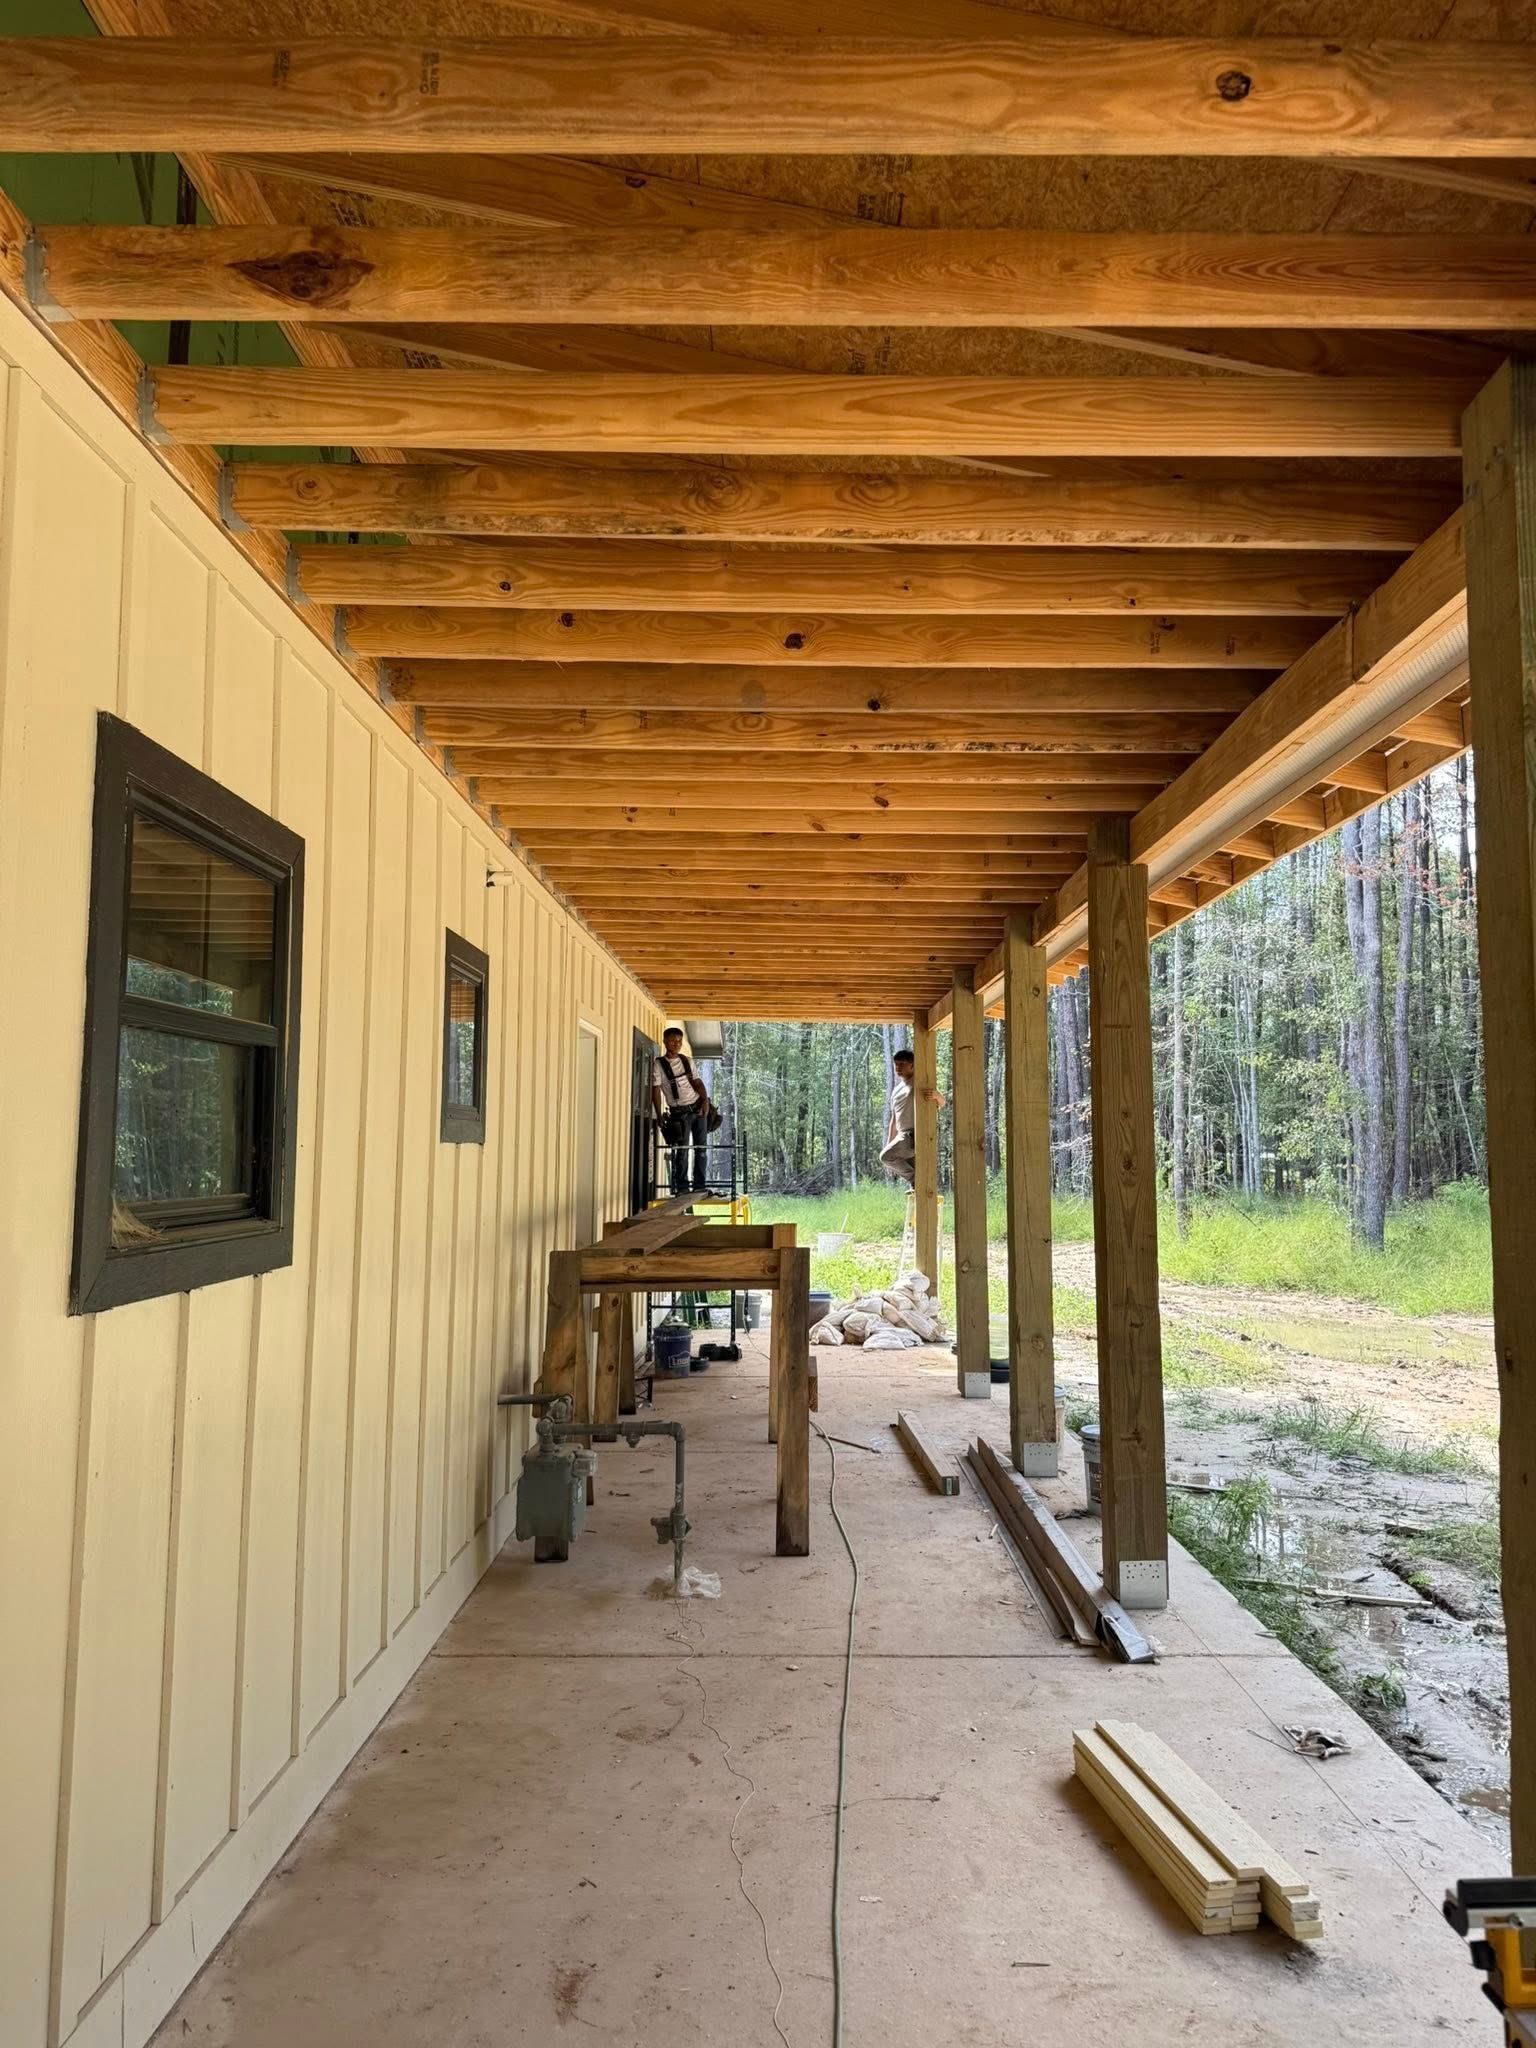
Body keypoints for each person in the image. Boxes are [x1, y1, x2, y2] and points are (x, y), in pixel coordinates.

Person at [652, 1027, 716, 1195]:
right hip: (678, 1113)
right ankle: (682, 1188)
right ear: (665, 1042)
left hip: (697, 1107)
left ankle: (699, 1186)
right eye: (673, 1041)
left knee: (701, 1148)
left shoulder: (687, 1061)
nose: (677, 1044)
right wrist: (658, 1114)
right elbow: (655, 1090)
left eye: (680, 1041)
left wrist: (705, 1101)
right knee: (682, 1150)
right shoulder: (659, 1064)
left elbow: (697, 1082)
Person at [880, 1046, 944, 1186]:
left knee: (885, 1157)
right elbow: (894, 1120)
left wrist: (937, 1095)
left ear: (912, 1065)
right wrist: (889, 1142)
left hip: (915, 1135)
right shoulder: (896, 1090)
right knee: (912, 1174)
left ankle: (918, 1181)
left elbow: (942, 1103)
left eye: (902, 1064)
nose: (898, 1067)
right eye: (896, 1064)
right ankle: (919, 1185)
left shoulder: (920, 1083)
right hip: (902, 1135)